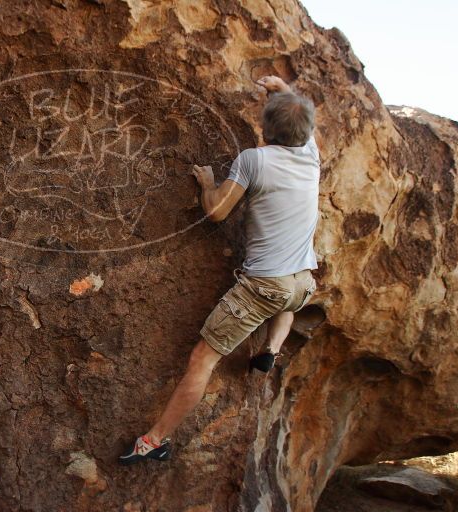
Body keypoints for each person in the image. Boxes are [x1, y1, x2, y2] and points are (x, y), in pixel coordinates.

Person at [119, 75, 320, 465]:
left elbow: (217, 211)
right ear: (306, 131)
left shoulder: (254, 160)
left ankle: (154, 440)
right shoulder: (312, 155)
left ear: (265, 129)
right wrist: (282, 89)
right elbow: (299, 119)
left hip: (265, 287)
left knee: (202, 358)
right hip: (303, 283)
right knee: (290, 296)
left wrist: (209, 183)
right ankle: (272, 349)